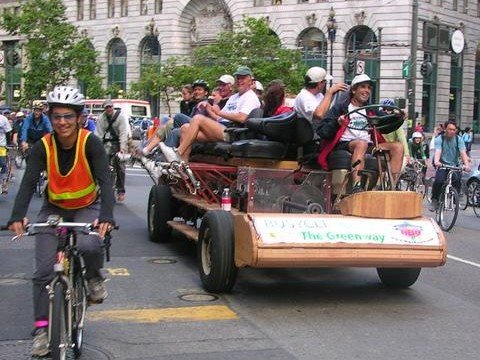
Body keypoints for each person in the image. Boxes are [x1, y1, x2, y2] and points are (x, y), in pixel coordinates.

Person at [7, 86, 115, 357]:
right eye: (56, 116)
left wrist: (107, 217)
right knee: (43, 271)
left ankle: (92, 278)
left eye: (68, 116)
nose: (62, 122)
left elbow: (105, 181)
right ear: (50, 117)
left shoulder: (91, 142)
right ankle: (42, 331)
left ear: (79, 117)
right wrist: (17, 215)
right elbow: (29, 182)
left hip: (87, 206)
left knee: (89, 246)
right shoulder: (43, 146)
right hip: (53, 207)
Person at [317, 74, 405, 191]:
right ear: (353, 90)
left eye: (369, 88)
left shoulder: (370, 110)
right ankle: (356, 185)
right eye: (363, 87)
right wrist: (337, 122)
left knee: (398, 147)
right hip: (346, 144)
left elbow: (386, 123)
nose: (366, 90)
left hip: (368, 145)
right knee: (360, 144)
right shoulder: (340, 108)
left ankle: (391, 187)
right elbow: (323, 131)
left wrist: (399, 117)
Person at [159, 65, 261, 162]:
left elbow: (242, 118)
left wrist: (219, 112)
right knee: (185, 128)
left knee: (197, 118)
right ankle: (182, 167)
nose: (239, 81)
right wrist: (209, 108)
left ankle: (177, 153)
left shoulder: (250, 97)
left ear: (251, 80)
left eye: (242, 78)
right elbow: (218, 117)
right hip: (221, 128)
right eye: (238, 78)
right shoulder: (234, 97)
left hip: (233, 132)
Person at [429, 120, 471, 211]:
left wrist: (467, 165)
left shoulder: (458, 139)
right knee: (439, 181)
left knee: (458, 179)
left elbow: (463, 153)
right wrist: (437, 161)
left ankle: (456, 197)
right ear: (445, 129)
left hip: (454, 164)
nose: (452, 131)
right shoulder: (439, 139)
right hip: (442, 164)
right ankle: (435, 199)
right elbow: (438, 151)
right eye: (450, 129)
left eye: (453, 130)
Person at [294, 66, 348, 134]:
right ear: (320, 83)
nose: (325, 83)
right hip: (312, 135)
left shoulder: (318, 95)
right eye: (325, 81)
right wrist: (329, 93)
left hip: (321, 130)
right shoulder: (303, 96)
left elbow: (328, 109)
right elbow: (320, 115)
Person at [95, 99, 130, 202]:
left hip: (119, 143)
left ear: (113, 107)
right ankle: (99, 188)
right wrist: (97, 149)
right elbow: (98, 134)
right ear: (104, 109)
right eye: (106, 107)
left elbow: (123, 133)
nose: (109, 109)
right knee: (100, 164)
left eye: (110, 107)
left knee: (120, 166)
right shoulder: (101, 118)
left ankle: (121, 190)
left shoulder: (121, 117)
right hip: (107, 143)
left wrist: (122, 148)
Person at [380, 98, 410, 165]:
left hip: (390, 148)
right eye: (385, 109)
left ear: (393, 110)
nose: (387, 111)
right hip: (378, 146)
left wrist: (406, 154)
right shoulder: (378, 118)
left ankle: (393, 174)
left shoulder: (395, 122)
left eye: (389, 109)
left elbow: (402, 138)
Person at [0, 112, 12, 193]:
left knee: (3, 164)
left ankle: (4, 182)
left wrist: (8, 144)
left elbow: (8, 133)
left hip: (1, 146)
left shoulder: (3, 119)